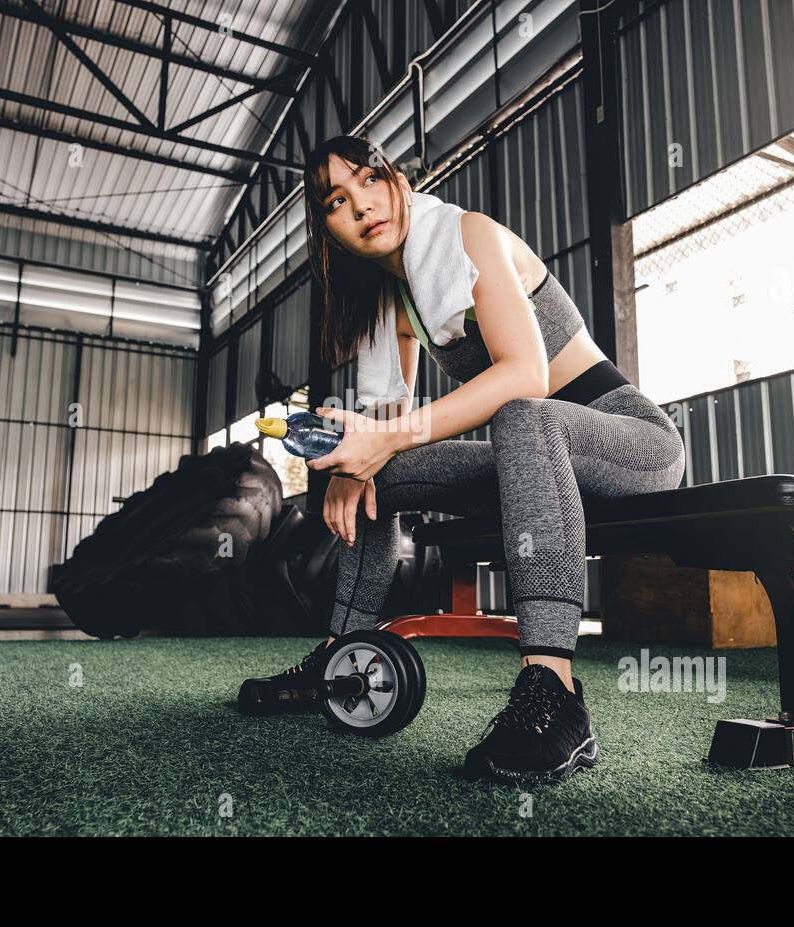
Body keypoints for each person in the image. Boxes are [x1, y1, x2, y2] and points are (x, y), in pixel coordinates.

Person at [240, 134, 686, 783]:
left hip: (629, 443)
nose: (363, 203)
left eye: (369, 178)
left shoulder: (470, 236)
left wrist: (387, 438)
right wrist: (353, 463)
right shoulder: (393, 302)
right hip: (529, 459)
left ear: (394, 177)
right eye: (338, 199)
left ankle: (553, 692)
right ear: (329, 230)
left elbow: (527, 373)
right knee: (380, 476)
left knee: (520, 412)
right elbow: (386, 422)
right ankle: (342, 655)